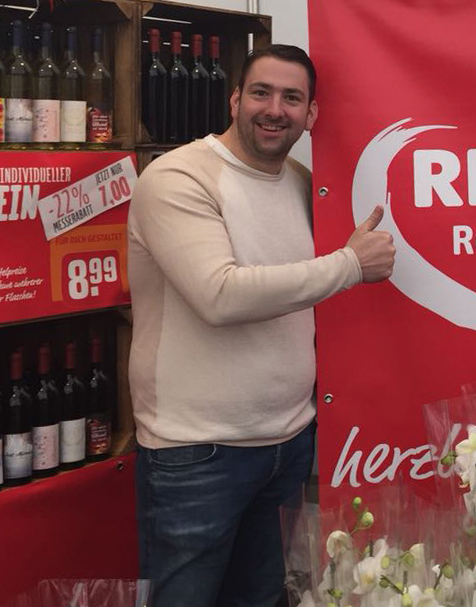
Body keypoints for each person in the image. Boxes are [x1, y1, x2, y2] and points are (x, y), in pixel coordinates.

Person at [127, 45, 395, 607]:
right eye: (261, 93)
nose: (275, 109)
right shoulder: (177, 177)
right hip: (196, 452)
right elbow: (219, 295)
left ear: (310, 114)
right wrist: (349, 265)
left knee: (263, 599)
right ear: (235, 100)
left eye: (292, 98)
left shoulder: (302, 184)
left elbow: (303, 292)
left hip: (289, 443)